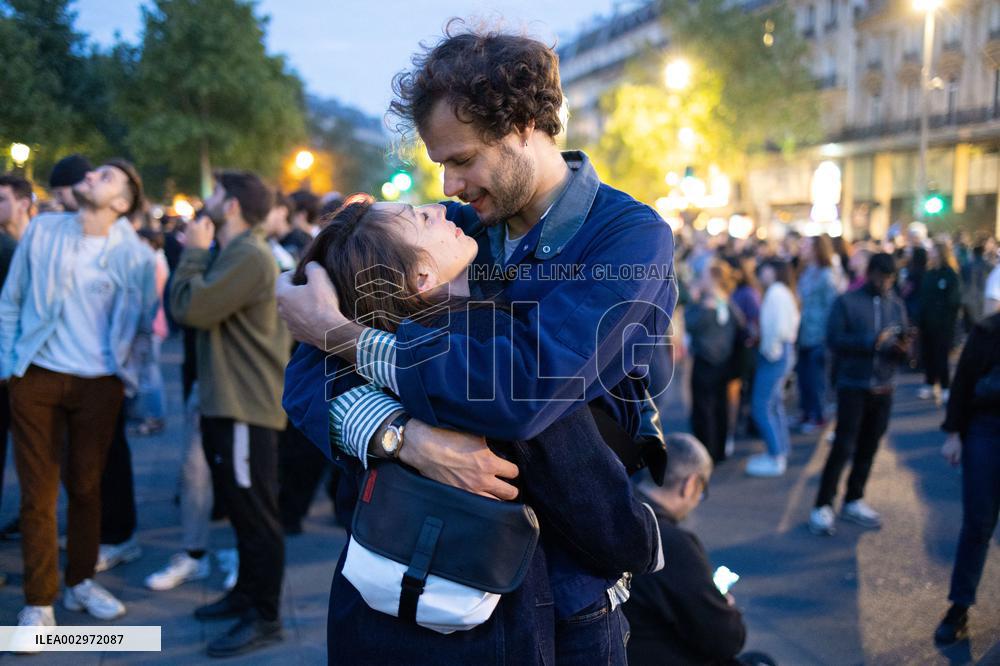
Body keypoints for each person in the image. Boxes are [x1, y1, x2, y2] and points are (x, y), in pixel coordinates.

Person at [279, 24, 676, 663]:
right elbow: (304, 374)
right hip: (440, 574)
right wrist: (406, 438)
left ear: (523, 124)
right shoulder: (461, 230)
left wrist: (340, 334)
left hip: (571, 596)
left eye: (461, 160)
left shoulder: (627, 237)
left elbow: (522, 389)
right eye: (442, 166)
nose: (451, 187)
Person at [292, 198, 662, 664]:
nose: (444, 203)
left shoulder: (360, 339)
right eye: (423, 218)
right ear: (421, 278)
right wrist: (645, 542)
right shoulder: (487, 340)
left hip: (378, 601)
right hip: (511, 612)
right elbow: (580, 480)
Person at [0, 160, 155, 632]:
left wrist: (132, 387)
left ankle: (81, 582)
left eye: (105, 178)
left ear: (122, 203)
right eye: (93, 174)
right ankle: (39, 600)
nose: (91, 177)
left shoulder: (137, 256)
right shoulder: (44, 230)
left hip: (99, 384)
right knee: (37, 494)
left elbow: (142, 329)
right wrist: (9, 369)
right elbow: (12, 301)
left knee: (87, 489)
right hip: (38, 376)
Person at [169, 170, 290, 658]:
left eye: (217, 193)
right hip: (230, 403)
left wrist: (194, 251)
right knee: (242, 510)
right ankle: (245, 595)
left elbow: (191, 308)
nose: (208, 201)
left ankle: (265, 615)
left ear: (233, 205)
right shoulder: (241, 252)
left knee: (257, 514)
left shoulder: (248, 255)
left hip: (246, 407)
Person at [626, 433, 754, 666]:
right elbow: (725, 639)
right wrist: (725, 605)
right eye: (701, 490)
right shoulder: (671, 545)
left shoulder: (615, 510)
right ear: (691, 484)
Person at [810, 253, 908, 536]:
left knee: (869, 445)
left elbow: (901, 339)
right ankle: (823, 504)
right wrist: (871, 343)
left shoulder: (895, 305)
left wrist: (901, 349)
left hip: (884, 386)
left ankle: (854, 497)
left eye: (890, 278)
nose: (885, 283)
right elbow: (833, 338)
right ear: (871, 273)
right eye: (882, 277)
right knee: (843, 446)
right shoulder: (847, 301)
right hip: (853, 384)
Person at [934, 310, 1000, 646]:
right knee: (977, 524)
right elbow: (963, 382)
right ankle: (958, 608)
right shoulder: (987, 330)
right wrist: (954, 433)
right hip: (986, 430)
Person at [745, 260, 798, 477]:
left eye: (765, 268)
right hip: (781, 352)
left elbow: (778, 328)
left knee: (761, 405)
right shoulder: (783, 291)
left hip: (774, 354)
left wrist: (770, 349)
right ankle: (780, 450)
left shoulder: (776, 292)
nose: (761, 272)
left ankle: (776, 455)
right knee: (774, 403)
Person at [685, 261, 742, 462]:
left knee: (704, 408)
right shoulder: (727, 303)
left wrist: (693, 301)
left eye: (704, 276)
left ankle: (706, 451)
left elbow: (690, 325)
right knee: (720, 407)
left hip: (706, 362)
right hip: (723, 364)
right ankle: (719, 449)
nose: (700, 279)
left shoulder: (707, 304)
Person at [795, 235, 841, 433]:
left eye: (806, 246)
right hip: (804, 333)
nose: (802, 249)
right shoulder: (807, 271)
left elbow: (832, 307)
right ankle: (806, 411)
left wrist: (827, 335)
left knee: (816, 378)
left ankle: (818, 415)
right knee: (804, 377)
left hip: (818, 335)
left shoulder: (826, 275)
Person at [917, 241, 962, 404]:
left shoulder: (951, 274)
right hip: (927, 322)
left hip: (944, 325)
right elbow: (923, 298)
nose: (931, 255)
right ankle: (929, 383)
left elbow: (954, 301)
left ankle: (945, 386)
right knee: (928, 354)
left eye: (934, 252)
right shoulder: (929, 274)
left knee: (941, 356)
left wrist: (948, 320)